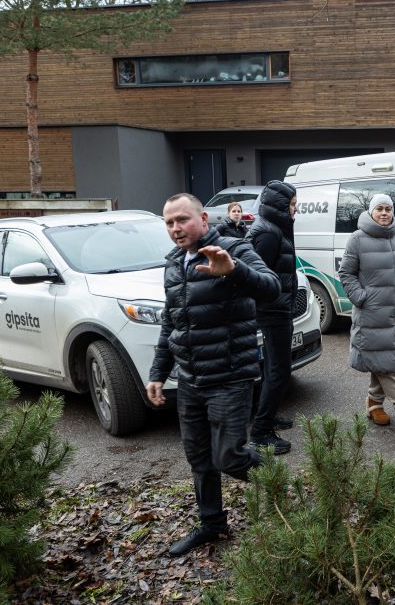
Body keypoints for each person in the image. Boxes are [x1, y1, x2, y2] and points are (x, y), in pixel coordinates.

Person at [147, 193, 280, 556]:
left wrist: (234, 270)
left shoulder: (233, 248)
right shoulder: (174, 264)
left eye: (182, 220)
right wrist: (158, 373)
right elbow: (170, 323)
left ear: (203, 218)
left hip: (230, 375)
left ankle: (278, 481)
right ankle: (212, 525)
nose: (176, 229)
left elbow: (272, 288)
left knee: (230, 457)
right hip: (190, 379)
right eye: (169, 222)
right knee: (200, 458)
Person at [338, 194, 395, 433]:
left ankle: (374, 404)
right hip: (372, 314)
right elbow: (346, 273)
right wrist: (362, 298)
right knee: (388, 365)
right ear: (371, 212)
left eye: (388, 209)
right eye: (379, 209)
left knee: (384, 359)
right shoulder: (357, 239)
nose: (384, 213)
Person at [247, 181, 298, 454]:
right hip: (272, 312)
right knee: (279, 371)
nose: (295, 210)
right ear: (280, 206)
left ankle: (267, 414)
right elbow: (257, 277)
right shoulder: (267, 233)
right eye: (292, 205)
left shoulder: (276, 229)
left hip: (279, 309)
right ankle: (261, 432)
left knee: (273, 370)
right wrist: (271, 307)